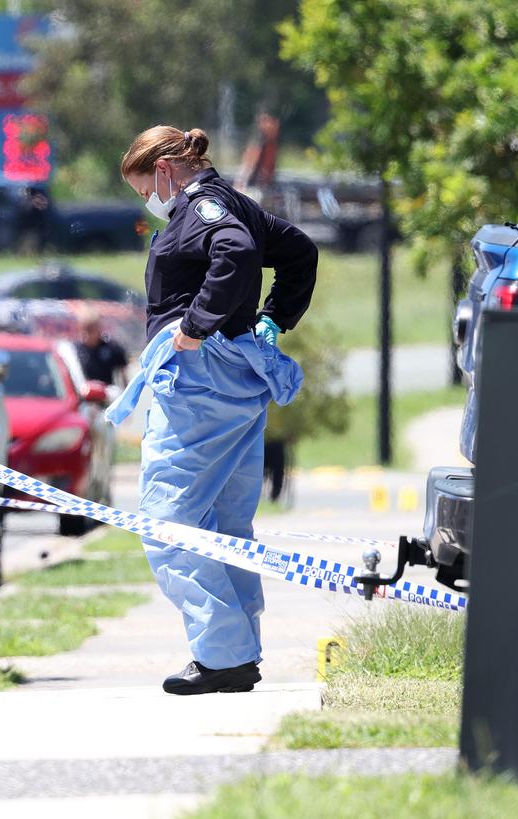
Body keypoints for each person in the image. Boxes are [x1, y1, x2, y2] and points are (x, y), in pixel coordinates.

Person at [106, 125, 317, 695]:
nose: (149, 203)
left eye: (145, 189)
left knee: (168, 522)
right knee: (224, 524)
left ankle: (222, 654)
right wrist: (273, 318)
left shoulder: (202, 208)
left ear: (167, 171)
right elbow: (298, 252)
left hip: (200, 382)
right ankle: (237, 653)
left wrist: (196, 328)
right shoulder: (237, 203)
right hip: (236, 381)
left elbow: (236, 254)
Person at [75, 308, 128, 387]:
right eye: (85, 329)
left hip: (108, 393)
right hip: (84, 393)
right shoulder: (77, 350)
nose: (87, 334)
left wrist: (124, 393)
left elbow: (122, 372)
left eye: (91, 329)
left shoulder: (111, 348)